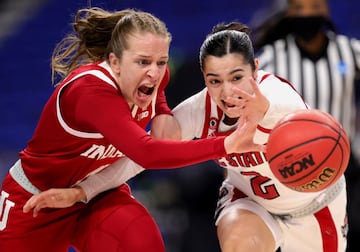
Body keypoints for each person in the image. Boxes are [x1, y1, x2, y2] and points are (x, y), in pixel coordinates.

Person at [24, 21, 349, 251]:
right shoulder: (199, 110)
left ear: (255, 70)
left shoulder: (282, 101)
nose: (228, 91)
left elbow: (314, 130)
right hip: (250, 202)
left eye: (237, 77)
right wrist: (83, 190)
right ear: (205, 81)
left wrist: (267, 114)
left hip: (314, 205)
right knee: (238, 243)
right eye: (215, 81)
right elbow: (141, 158)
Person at [0, 7, 266, 252]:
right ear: (115, 62)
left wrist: (162, 111)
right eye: (142, 62)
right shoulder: (90, 92)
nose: (154, 72)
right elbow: (146, 153)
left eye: (161, 61)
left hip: (96, 195)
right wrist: (225, 144)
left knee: (142, 240)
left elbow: (160, 109)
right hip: (37, 202)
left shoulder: (156, 78)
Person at [250, 0, 360, 250]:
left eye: (314, 7)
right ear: (289, 13)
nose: (307, 14)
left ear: (326, 11)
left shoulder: (348, 51)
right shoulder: (271, 56)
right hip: (289, 160)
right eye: (299, 8)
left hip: (343, 162)